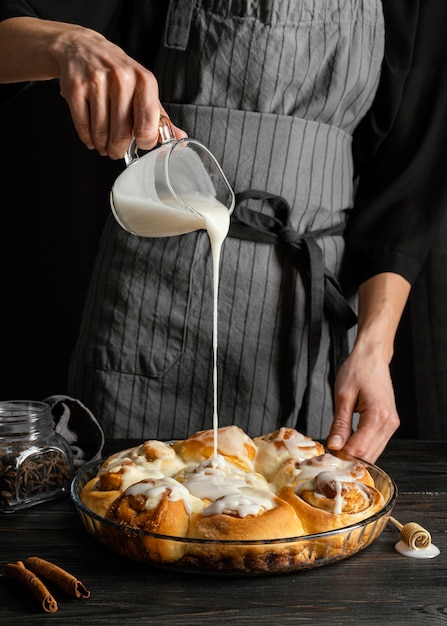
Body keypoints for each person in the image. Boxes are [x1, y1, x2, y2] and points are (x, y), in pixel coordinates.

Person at [1, 1, 446, 463]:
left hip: (307, 324)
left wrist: (374, 347)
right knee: (126, 509)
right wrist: (68, 42)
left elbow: (407, 186)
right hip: (153, 309)